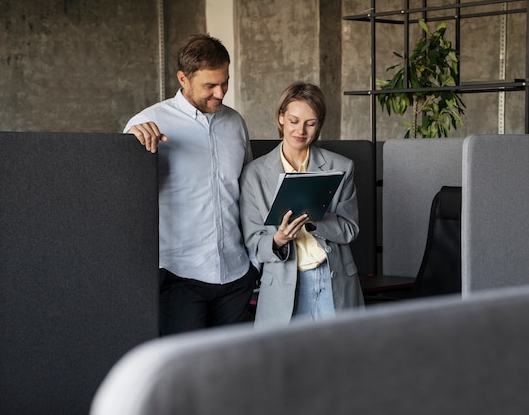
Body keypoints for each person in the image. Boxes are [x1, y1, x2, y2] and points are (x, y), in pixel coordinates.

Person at [124, 34, 257, 334]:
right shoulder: (146, 124)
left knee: (230, 368)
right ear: (183, 78)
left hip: (236, 274)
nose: (221, 93)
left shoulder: (236, 123)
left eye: (225, 82)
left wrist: (255, 264)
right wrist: (129, 145)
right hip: (179, 276)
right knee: (188, 373)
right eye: (210, 85)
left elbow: (247, 191)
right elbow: (124, 197)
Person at [239, 82, 364, 328]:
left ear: (319, 125)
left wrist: (316, 221)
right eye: (294, 120)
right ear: (281, 117)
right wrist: (279, 239)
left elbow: (350, 229)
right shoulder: (254, 174)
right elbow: (254, 242)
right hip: (284, 287)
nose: (301, 131)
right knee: (288, 363)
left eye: (311, 123)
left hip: (333, 279)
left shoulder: (341, 166)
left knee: (339, 361)